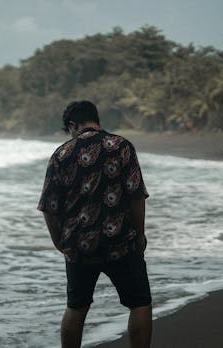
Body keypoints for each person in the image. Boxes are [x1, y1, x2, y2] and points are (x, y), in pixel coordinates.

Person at [38, 101, 152, 348]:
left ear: (72, 126)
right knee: (139, 303)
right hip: (121, 242)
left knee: (76, 307)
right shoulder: (121, 146)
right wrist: (140, 235)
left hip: (80, 247)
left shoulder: (61, 154)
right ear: (95, 120)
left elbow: (49, 206)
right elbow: (136, 196)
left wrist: (59, 242)